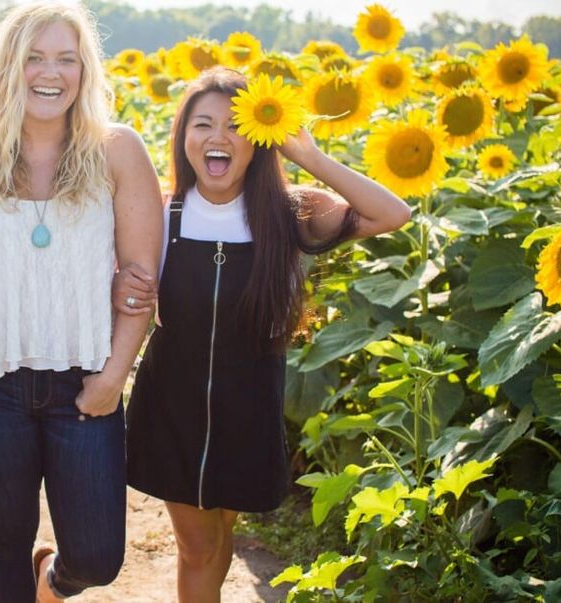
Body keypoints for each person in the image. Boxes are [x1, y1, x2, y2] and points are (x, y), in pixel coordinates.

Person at [115, 67, 411, 602]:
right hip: (172, 404)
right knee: (199, 545)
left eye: (234, 126)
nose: (217, 138)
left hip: (249, 402)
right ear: (184, 138)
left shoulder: (288, 212)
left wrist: (310, 158)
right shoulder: (162, 212)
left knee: (223, 529)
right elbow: (120, 285)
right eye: (201, 124)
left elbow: (393, 213)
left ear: (258, 141)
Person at [0, 2, 163, 601]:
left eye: (65, 58)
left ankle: (52, 581)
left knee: (99, 557)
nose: (49, 73)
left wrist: (113, 377)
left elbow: (140, 282)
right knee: (4, 539)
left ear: (85, 72)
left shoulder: (117, 152)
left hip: (84, 386)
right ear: (8, 67)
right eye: (33, 57)